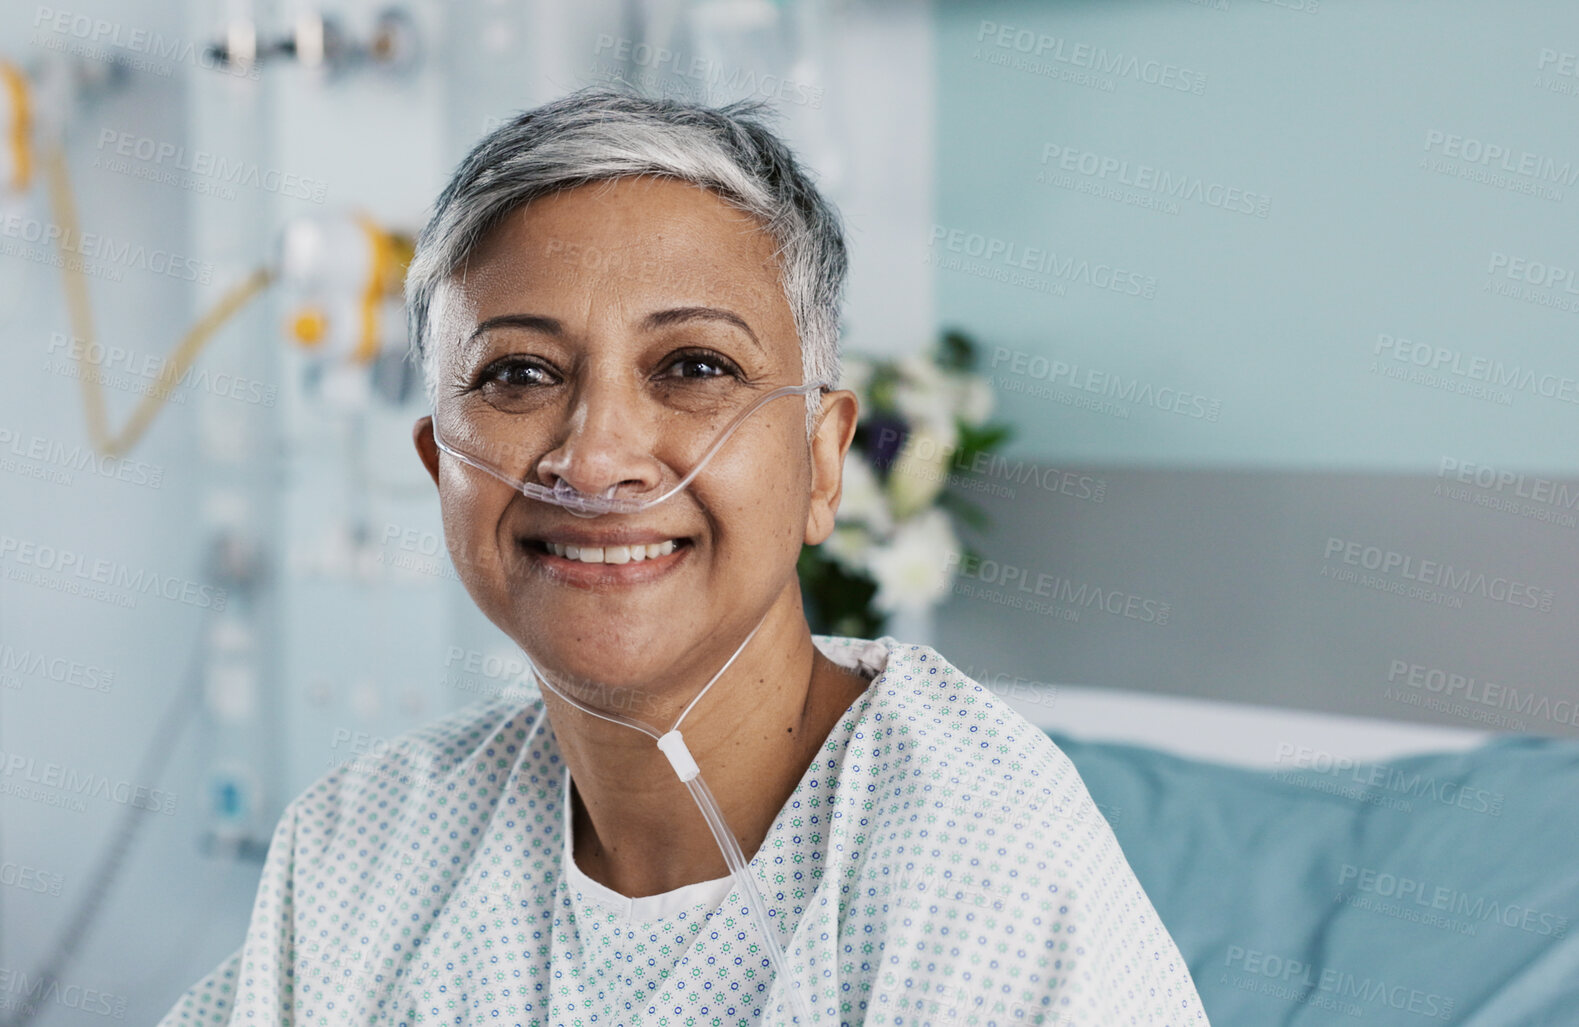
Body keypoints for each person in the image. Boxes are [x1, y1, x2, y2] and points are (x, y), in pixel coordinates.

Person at [157, 87, 1209, 1026]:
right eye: (518, 374)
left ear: (822, 461)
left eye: (695, 365)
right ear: (442, 468)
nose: (596, 457)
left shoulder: (977, 868)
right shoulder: (363, 849)